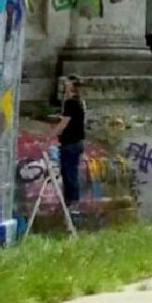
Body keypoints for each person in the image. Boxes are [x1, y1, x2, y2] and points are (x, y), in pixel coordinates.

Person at [56, 77, 85, 210]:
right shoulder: (79, 102)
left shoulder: (71, 103)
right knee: (70, 171)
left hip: (70, 142)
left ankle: (72, 202)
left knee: (69, 172)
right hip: (76, 142)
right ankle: (71, 202)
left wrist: (52, 134)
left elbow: (65, 122)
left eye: (65, 85)